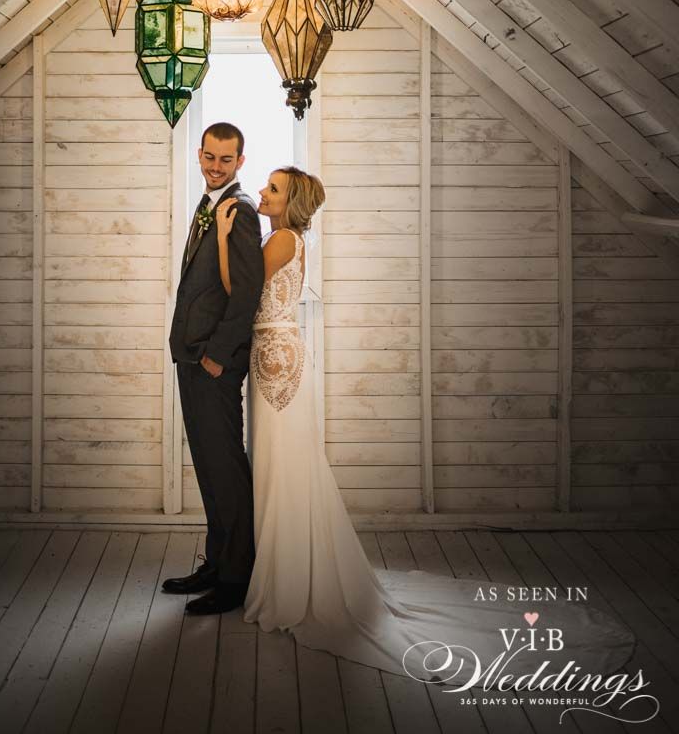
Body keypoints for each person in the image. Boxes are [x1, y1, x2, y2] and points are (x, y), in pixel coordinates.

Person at [215, 166, 639, 687]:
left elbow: (239, 290)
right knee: (282, 465)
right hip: (276, 356)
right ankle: (284, 569)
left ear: (290, 201)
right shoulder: (288, 238)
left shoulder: (281, 239)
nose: (261, 191)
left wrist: (219, 237)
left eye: (272, 188)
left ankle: (289, 581)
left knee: (283, 466)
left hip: (277, 361)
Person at [162, 122, 264, 615]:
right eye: (209, 157)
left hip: (213, 364)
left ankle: (236, 580)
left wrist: (217, 358)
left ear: (240, 162)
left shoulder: (239, 211)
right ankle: (216, 563)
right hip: (191, 355)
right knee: (208, 467)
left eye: (226, 160)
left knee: (226, 471)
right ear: (200, 153)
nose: (215, 166)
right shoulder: (208, 206)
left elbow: (246, 294)